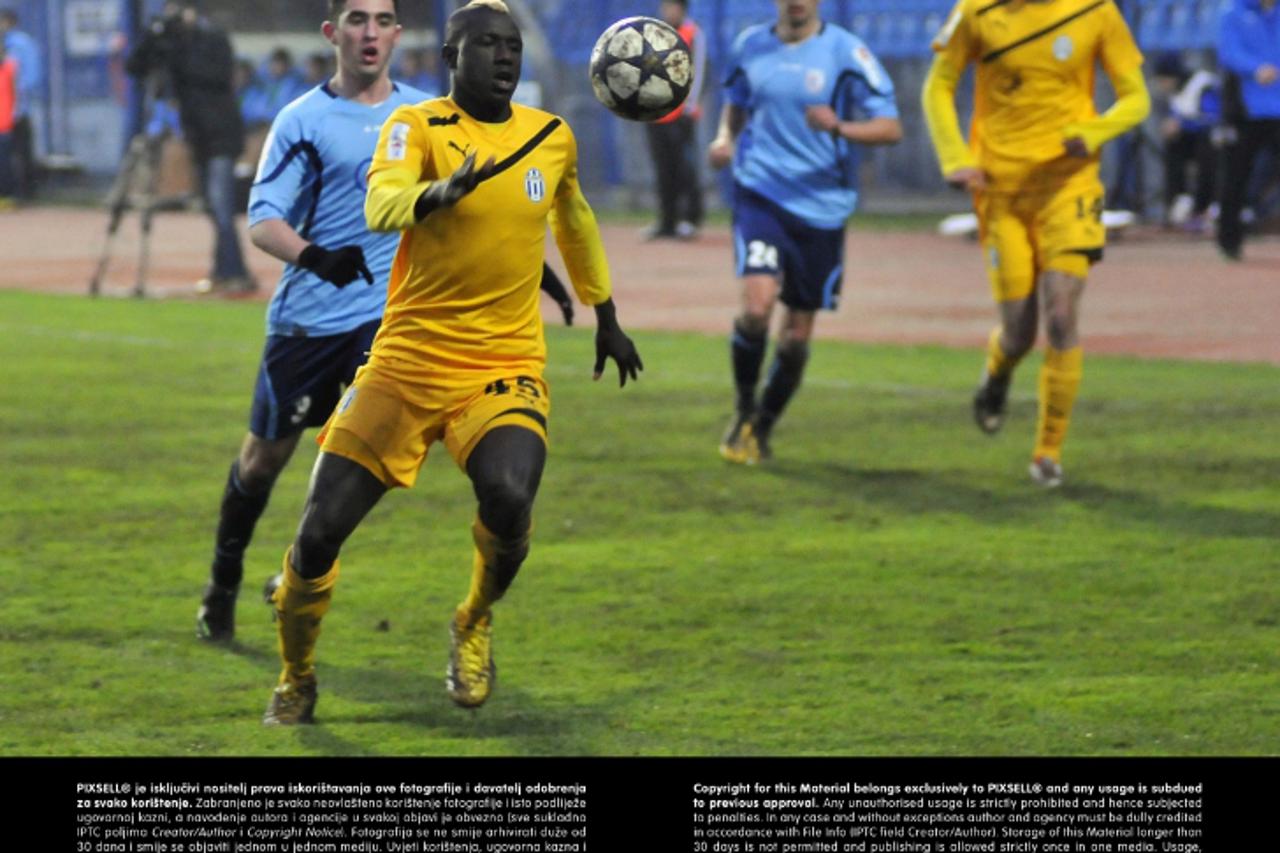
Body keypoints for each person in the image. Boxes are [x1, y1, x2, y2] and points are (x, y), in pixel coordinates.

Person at [261, 0, 642, 725]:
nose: (505, 57)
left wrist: (607, 314)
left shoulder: (549, 135)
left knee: (509, 494)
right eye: (487, 45)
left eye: (512, 45)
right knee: (316, 535)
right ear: (450, 56)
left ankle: (473, 618)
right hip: (405, 359)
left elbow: (575, 217)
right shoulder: (417, 126)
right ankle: (297, 670)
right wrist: (440, 192)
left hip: (502, 360)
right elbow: (381, 202)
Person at [194, 0, 433, 643]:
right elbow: (263, 218)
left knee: (360, 462)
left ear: (397, 34)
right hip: (306, 328)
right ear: (332, 34)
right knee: (262, 460)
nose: (370, 33)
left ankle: (295, 573)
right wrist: (316, 257)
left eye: (382, 20)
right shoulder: (302, 120)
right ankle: (222, 582)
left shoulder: (422, 116)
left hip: (380, 326)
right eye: (357, 20)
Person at [922, 0, 1150, 488]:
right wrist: (953, 157)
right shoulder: (978, 10)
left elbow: (1137, 99)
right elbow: (939, 84)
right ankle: (997, 371)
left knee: (1062, 312)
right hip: (1000, 191)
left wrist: (1094, 132)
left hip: (1069, 185)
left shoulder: (1095, 10)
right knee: (1020, 331)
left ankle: (1048, 452)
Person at [709, 0, 901, 465]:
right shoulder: (749, 45)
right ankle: (743, 408)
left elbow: (891, 127)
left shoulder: (845, 52)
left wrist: (842, 127)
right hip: (761, 193)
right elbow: (735, 105)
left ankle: (762, 427)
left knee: (796, 335)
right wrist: (725, 139)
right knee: (756, 308)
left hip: (821, 209)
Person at [126, 0, 254, 294]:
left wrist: (178, 50)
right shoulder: (172, 43)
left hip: (222, 134)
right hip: (199, 137)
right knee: (211, 206)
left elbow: (216, 76)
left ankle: (237, 273)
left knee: (221, 205)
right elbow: (135, 67)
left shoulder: (213, 39)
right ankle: (223, 270)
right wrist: (154, 37)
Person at [1216, 0, 1280, 261]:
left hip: (1277, 107)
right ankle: (1229, 239)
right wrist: (1256, 69)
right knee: (1236, 175)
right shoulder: (1233, 12)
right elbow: (1229, 53)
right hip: (1244, 110)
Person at [643, 0, 707, 241]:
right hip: (656, 113)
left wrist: (689, 108)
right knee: (663, 170)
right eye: (665, 7)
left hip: (681, 115)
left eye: (673, 7)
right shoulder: (654, 34)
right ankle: (666, 221)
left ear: (683, 9)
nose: (668, 12)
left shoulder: (693, 34)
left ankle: (690, 219)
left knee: (686, 169)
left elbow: (698, 72)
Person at [1151, 53, 1219, 230]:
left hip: (1213, 141)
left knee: (1207, 150)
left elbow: (1212, 118)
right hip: (1190, 142)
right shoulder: (1174, 93)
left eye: (1163, 79)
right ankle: (1177, 201)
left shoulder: (1202, 85)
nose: (1162, 85)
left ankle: (1204, 206)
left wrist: (1182, 124)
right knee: (1172, 146)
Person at [0, 8, 39, 201]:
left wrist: (18, 97)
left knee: (21, 151)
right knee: (7, 153)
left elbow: (30, 76)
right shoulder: (6, 43)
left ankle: (25, 193)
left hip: (18, 108)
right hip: (5, 109)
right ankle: (10, 191)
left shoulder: (21, 43)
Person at [0, 33, 15, 209]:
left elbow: (16, 93)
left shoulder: (10, 69)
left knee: (4, 163)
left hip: (5, 124)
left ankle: (7, 196)